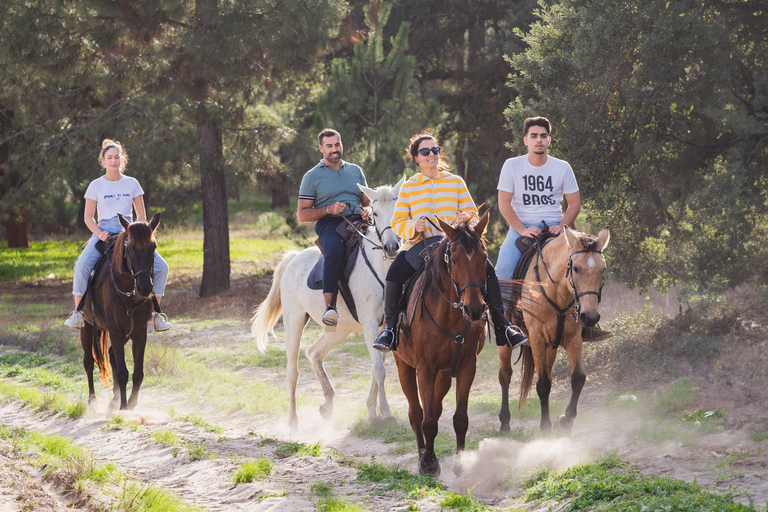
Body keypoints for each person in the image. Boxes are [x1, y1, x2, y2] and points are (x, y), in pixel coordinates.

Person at [373, 132, 527, 352]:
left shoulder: (455, 182)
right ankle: (389, 330)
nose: (431, 155)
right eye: (425, 152)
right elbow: (397, 223)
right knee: (394, 274)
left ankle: (503, 326)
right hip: (420, 244)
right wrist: (412, 226)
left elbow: (472, 212)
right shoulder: (409, 187)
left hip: (456, 243)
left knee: (489, 272)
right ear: (416, 158)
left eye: (434, 150)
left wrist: (466, 217)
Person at [496, 116, 611, 341]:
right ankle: (505, 329)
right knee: (501, 274)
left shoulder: (562, 167)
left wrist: (561, 226)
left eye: (542, 136)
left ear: (549, 140)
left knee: (589, 263)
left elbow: (574, 204)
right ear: (525, 140)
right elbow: (503, 204)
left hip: (558, 231)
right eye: (533, 136)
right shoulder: (512, 166)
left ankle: (588, 325)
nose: (538, 140)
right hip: (521, 230)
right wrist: (522, 229)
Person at [64, 139, 172, 332]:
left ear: (122, 159)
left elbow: (141, 216)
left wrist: (136, 233)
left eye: (117, 157)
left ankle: (156, 313)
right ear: (103, 161)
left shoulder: (132, 183)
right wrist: (99, 233)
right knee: (81, 265)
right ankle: (78, 312)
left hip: (129, 231)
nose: (113, 161)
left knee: (162, 267)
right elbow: (88, 217)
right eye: (109, 157)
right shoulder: (96, 186)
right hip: (103, 231)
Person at [297, 129, 371, 327]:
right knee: (335, 251)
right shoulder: (311, 177)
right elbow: (302, 214)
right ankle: (330, 306)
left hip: (358, 220)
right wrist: (328, 209)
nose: (334, 149)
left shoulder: (355, 170)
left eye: (337, 144)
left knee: (385, 244)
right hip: (330, 223)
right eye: (329, 146)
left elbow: (367, 202)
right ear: (321, 148)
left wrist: (368, 211)